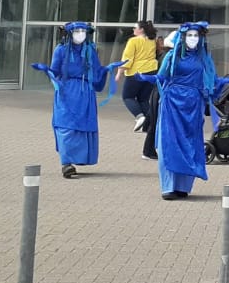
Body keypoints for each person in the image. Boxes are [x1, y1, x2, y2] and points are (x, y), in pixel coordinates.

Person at [146, 21, 229, 201]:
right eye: (189, 35)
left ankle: (183, 186)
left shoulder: (203, 57)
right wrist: (151, 82)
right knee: (170, 143)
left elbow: (212, 80)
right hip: (173, 103)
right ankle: (169, 186)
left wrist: (228, 82)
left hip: (193, 104)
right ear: (182, 37)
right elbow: (162, 77)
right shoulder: (172, 56)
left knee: (189, 143)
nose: (193, 39)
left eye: (196, 35)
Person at [30, 22, 120, 179]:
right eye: (77, 31)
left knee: (83, 126)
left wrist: (107, 70)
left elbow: (96, 72)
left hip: (85, 93)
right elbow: (55, 72)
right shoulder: (61, 50)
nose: (81, 34)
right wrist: (46, 71)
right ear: (70, 33)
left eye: (83, 31)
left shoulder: (90, 50)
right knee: (66, 125)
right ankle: (66, 163)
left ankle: (78, 158)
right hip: (66, 92)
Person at [116, 21, 160, 149]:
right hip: (150, 71)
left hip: (136, 72)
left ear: (141, 29)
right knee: (143, 99)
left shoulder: (133, 41)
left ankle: (140, 117)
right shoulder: (152, 40)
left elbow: (127, 58)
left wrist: (119, 72)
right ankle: (151, 123)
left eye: (135, 27)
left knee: (127, 97)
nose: (133, 29)